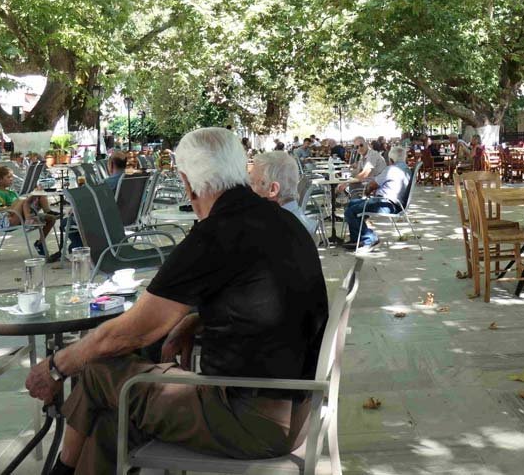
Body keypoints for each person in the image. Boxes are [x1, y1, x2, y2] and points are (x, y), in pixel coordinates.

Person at [24, 128, 327, 474]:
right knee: (111, 418)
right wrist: (196, 319)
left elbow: (130, 333)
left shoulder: (216, 235)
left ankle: (60, 471)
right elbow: (259, 298)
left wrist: (56, 366)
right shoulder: (283, 220)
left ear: (187, 183)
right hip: (296, 411)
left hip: (249, 419)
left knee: (97, 370)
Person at [343, 145, 411, 251]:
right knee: (352, 205)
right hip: (395, 203)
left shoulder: (391, 169)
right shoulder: (407, 170)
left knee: (350, 211)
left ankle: (369, 238)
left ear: (391, 159)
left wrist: (367, 193)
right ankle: (357, 238)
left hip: (386, 203)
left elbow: (372, 185)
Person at [0, 166, 55, 256]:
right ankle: (28, 220)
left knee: (51, 217)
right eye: (8, 177)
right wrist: (24, 201)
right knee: (23, 200)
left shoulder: (11, 192)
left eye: (12, 177)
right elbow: (4, 209)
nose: (11, 179)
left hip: (22, 213)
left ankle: (40, 242)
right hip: (12, 216)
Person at [249, 150, 312, 234]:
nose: (248, 189)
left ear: (273, 189)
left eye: (252, 183)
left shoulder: (273, 230)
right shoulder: (297, 218)